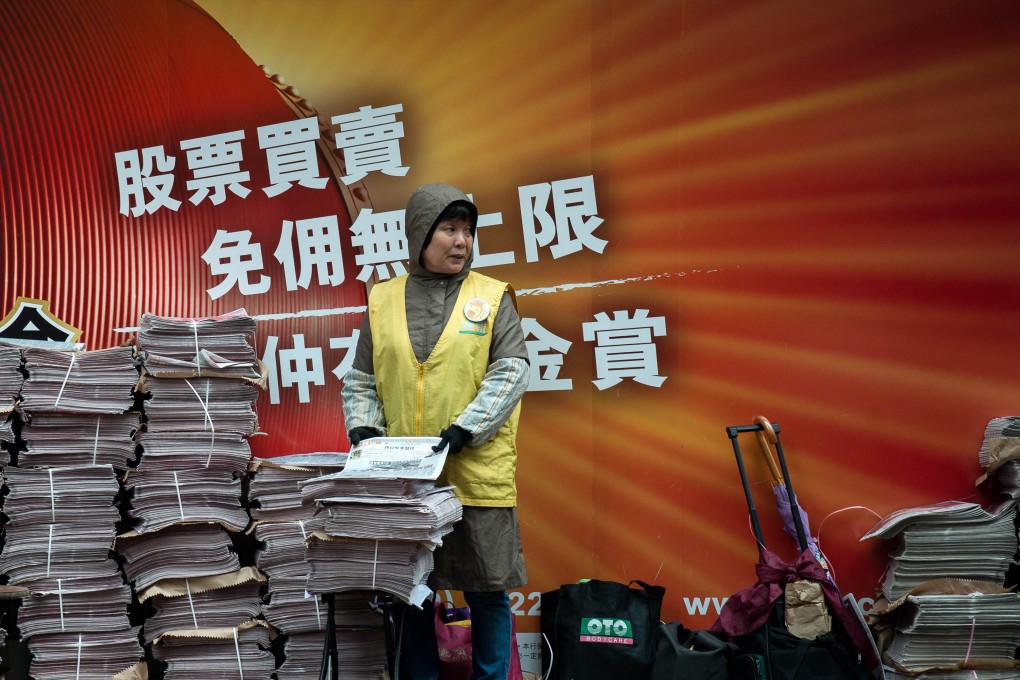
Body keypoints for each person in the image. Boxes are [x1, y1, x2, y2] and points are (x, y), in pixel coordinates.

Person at [341, 183, 529, 680]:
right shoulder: (381, 301)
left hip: (475, 470)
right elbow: (361, 378)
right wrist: (363, 427)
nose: (461, 241)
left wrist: (467, 429)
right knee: (412, 589)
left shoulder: (491, 297)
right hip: (410, 477)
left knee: (487, 588)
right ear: (420, 234)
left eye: (467, 230)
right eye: (449, 229)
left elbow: (511, 370)